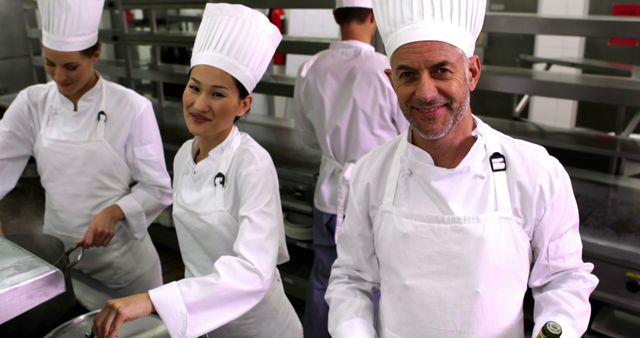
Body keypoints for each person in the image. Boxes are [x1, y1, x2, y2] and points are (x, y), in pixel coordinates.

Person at [325, 0, 599, 337]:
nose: (425, 93)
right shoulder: (370, 173)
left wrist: (556, 330)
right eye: (408, 74)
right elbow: (352, 279)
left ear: (472, 72)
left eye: (441, 70)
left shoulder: (536, 171)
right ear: (390, 79)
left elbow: (564, 278)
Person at [92, 3, 303, 338]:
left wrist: (154, 300)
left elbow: (253, 270)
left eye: (217, 94)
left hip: (258, 326)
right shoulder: (184, 157)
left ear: (243, 104)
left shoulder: (251, 162)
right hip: (204, 320)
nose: (200, 104)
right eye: (194, 87)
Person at [0, 0, 171, 308]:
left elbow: (157, 189)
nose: (59, 76)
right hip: (60, 258)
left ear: (96, 55)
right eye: (50, 63)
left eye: (71, 66)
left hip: (124, 268)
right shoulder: (32, 103)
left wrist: (115, 211)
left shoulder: (132, 107)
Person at [292, 1, 407, 336]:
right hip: (374, 198)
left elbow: (306, 136)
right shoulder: (386, 69)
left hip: (328, 195)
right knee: (371, 284)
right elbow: (406, 136)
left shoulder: (311, 68)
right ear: (374, 18)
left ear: (335, 17)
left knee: (323, 278)